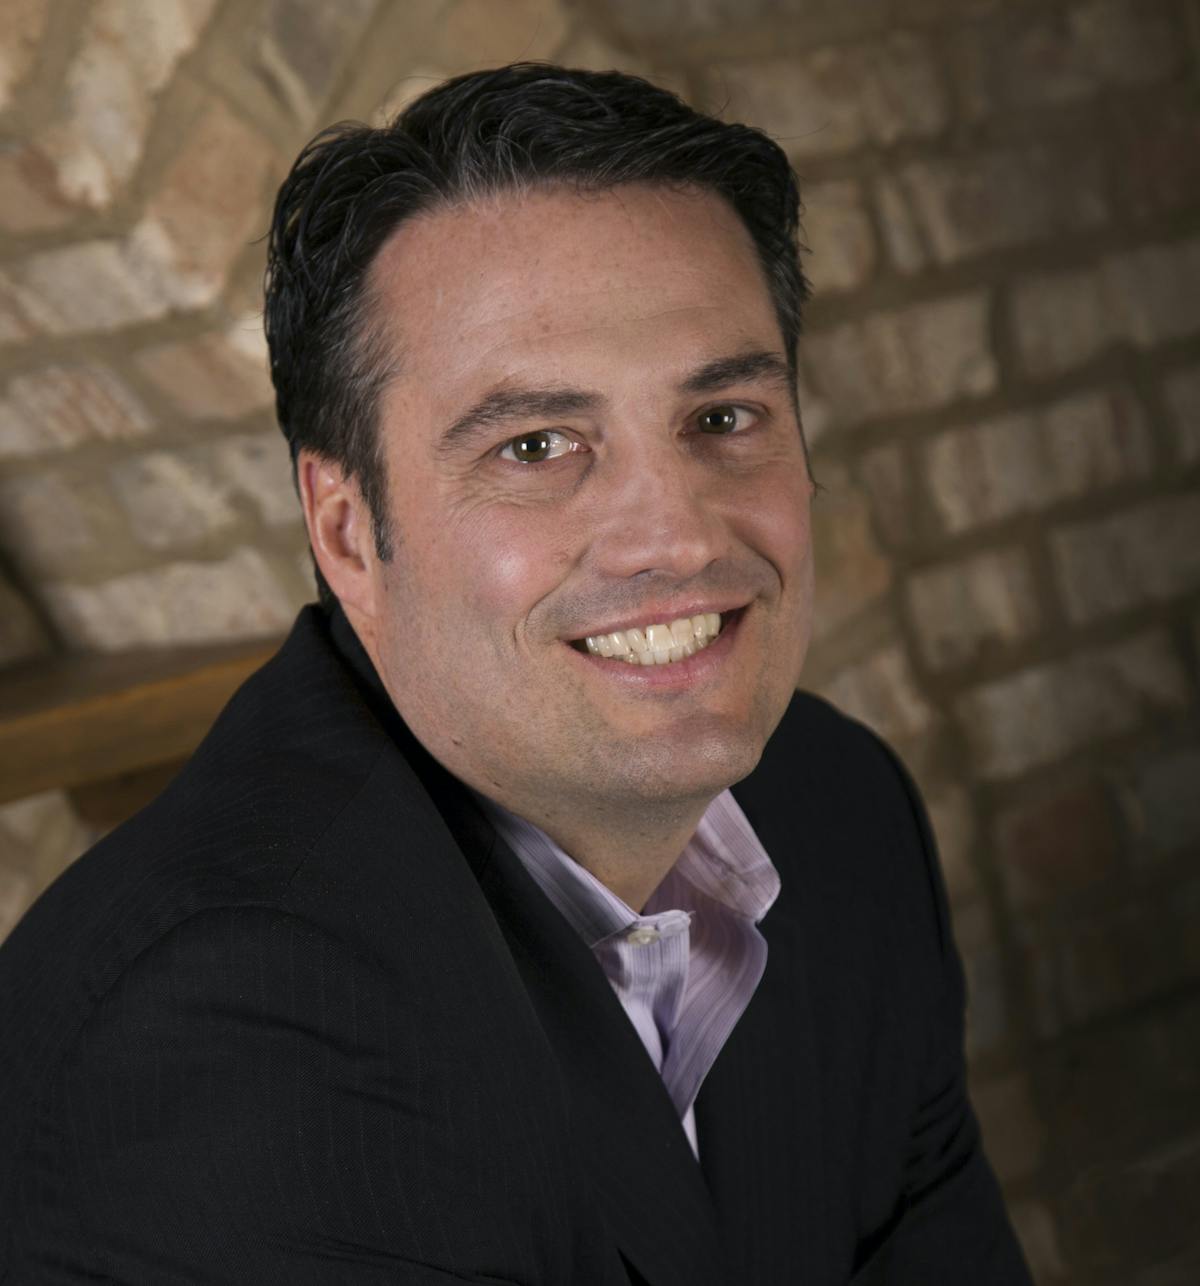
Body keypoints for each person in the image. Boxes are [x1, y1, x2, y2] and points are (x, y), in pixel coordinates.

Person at [0, 64, 1031, 1285]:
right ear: (347, 532)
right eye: (537, 446)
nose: (680, 535)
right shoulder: (218, 1026)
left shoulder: (840, 807)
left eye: (724, 418)